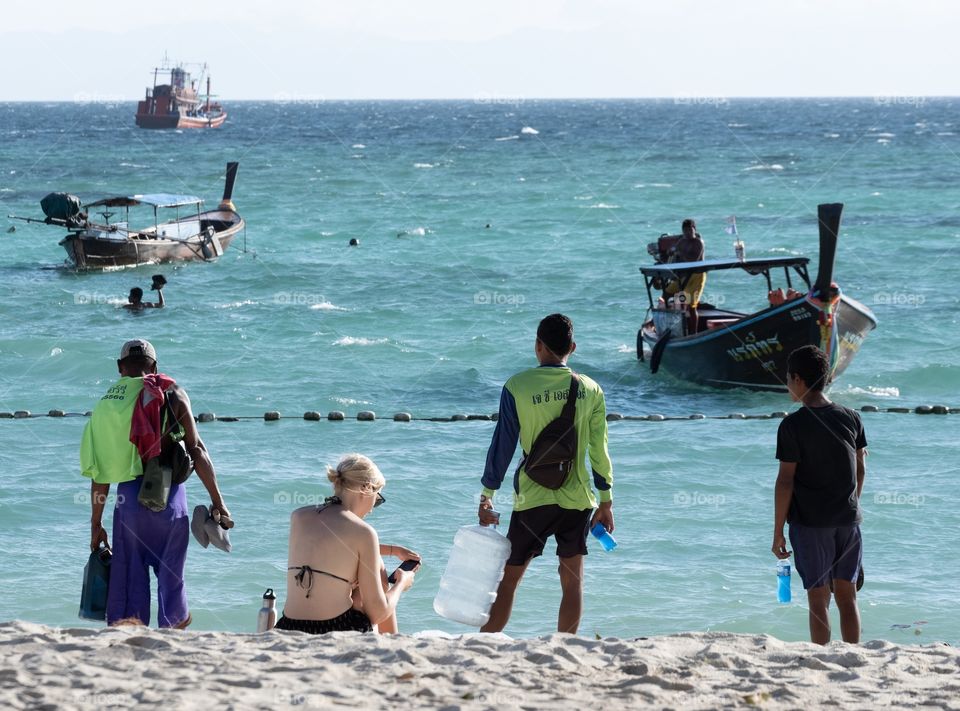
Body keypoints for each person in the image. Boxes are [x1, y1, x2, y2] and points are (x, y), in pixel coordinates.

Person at [477, 313, 614, 634]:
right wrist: (606, 501)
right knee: (572, 581)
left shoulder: (516, 386)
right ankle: (567, 647)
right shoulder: (591, 389)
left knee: (509, 580)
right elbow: (599, 449)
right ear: (573, 348)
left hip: (531, 500)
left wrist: (487, 496)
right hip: (577, 500)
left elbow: (503, 446)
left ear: (538, 346)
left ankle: (485, 644)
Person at [81, 339, 231, 628]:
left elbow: (99, 475)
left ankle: (131, 647)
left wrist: (96, 524)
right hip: (169, 499)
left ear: (120, 368)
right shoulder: (171, 392)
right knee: (172, 582)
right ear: (155, 366)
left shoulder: (105, 406)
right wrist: (219, 502)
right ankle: (173, 633)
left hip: (129, 506)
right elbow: (197, 450)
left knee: (129, 590)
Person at [772, 345, 867, 645]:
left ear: (798, 379)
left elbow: (785, 481)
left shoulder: (792, 425)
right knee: (847, 596)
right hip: (847, 521)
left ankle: (821, 657)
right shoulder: (851, 417)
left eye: (787, 378)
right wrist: (852, 504)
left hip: (811, 524)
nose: (787, 384)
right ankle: (855, 655)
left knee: (817, 599)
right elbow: (861, 467)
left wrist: (777, 532)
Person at [278, 454, 419, 634]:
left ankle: (391, 641)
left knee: (366, 566)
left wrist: (392, 550)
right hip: (335, 628)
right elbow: (378, 614)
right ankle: (392, 641)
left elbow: (332, 544)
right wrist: (401, 584)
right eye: (377, 499)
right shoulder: (364, 532)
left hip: (288, 626)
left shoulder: (298, 516)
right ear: (366, 488)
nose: (373, 508)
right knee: (379, 569)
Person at [662, 218, 706, 332]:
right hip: (683, 276)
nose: (688, 233)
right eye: (685, 231)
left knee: (690, 306)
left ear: (694, 230)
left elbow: (693, 260)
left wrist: (680, 253)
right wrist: (670, 251)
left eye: (690, 230)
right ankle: (669, 325)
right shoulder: (682, 241)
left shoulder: (698, 243)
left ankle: (693, 332)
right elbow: (673, 251)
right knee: (666, 294)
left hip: (697, 276)